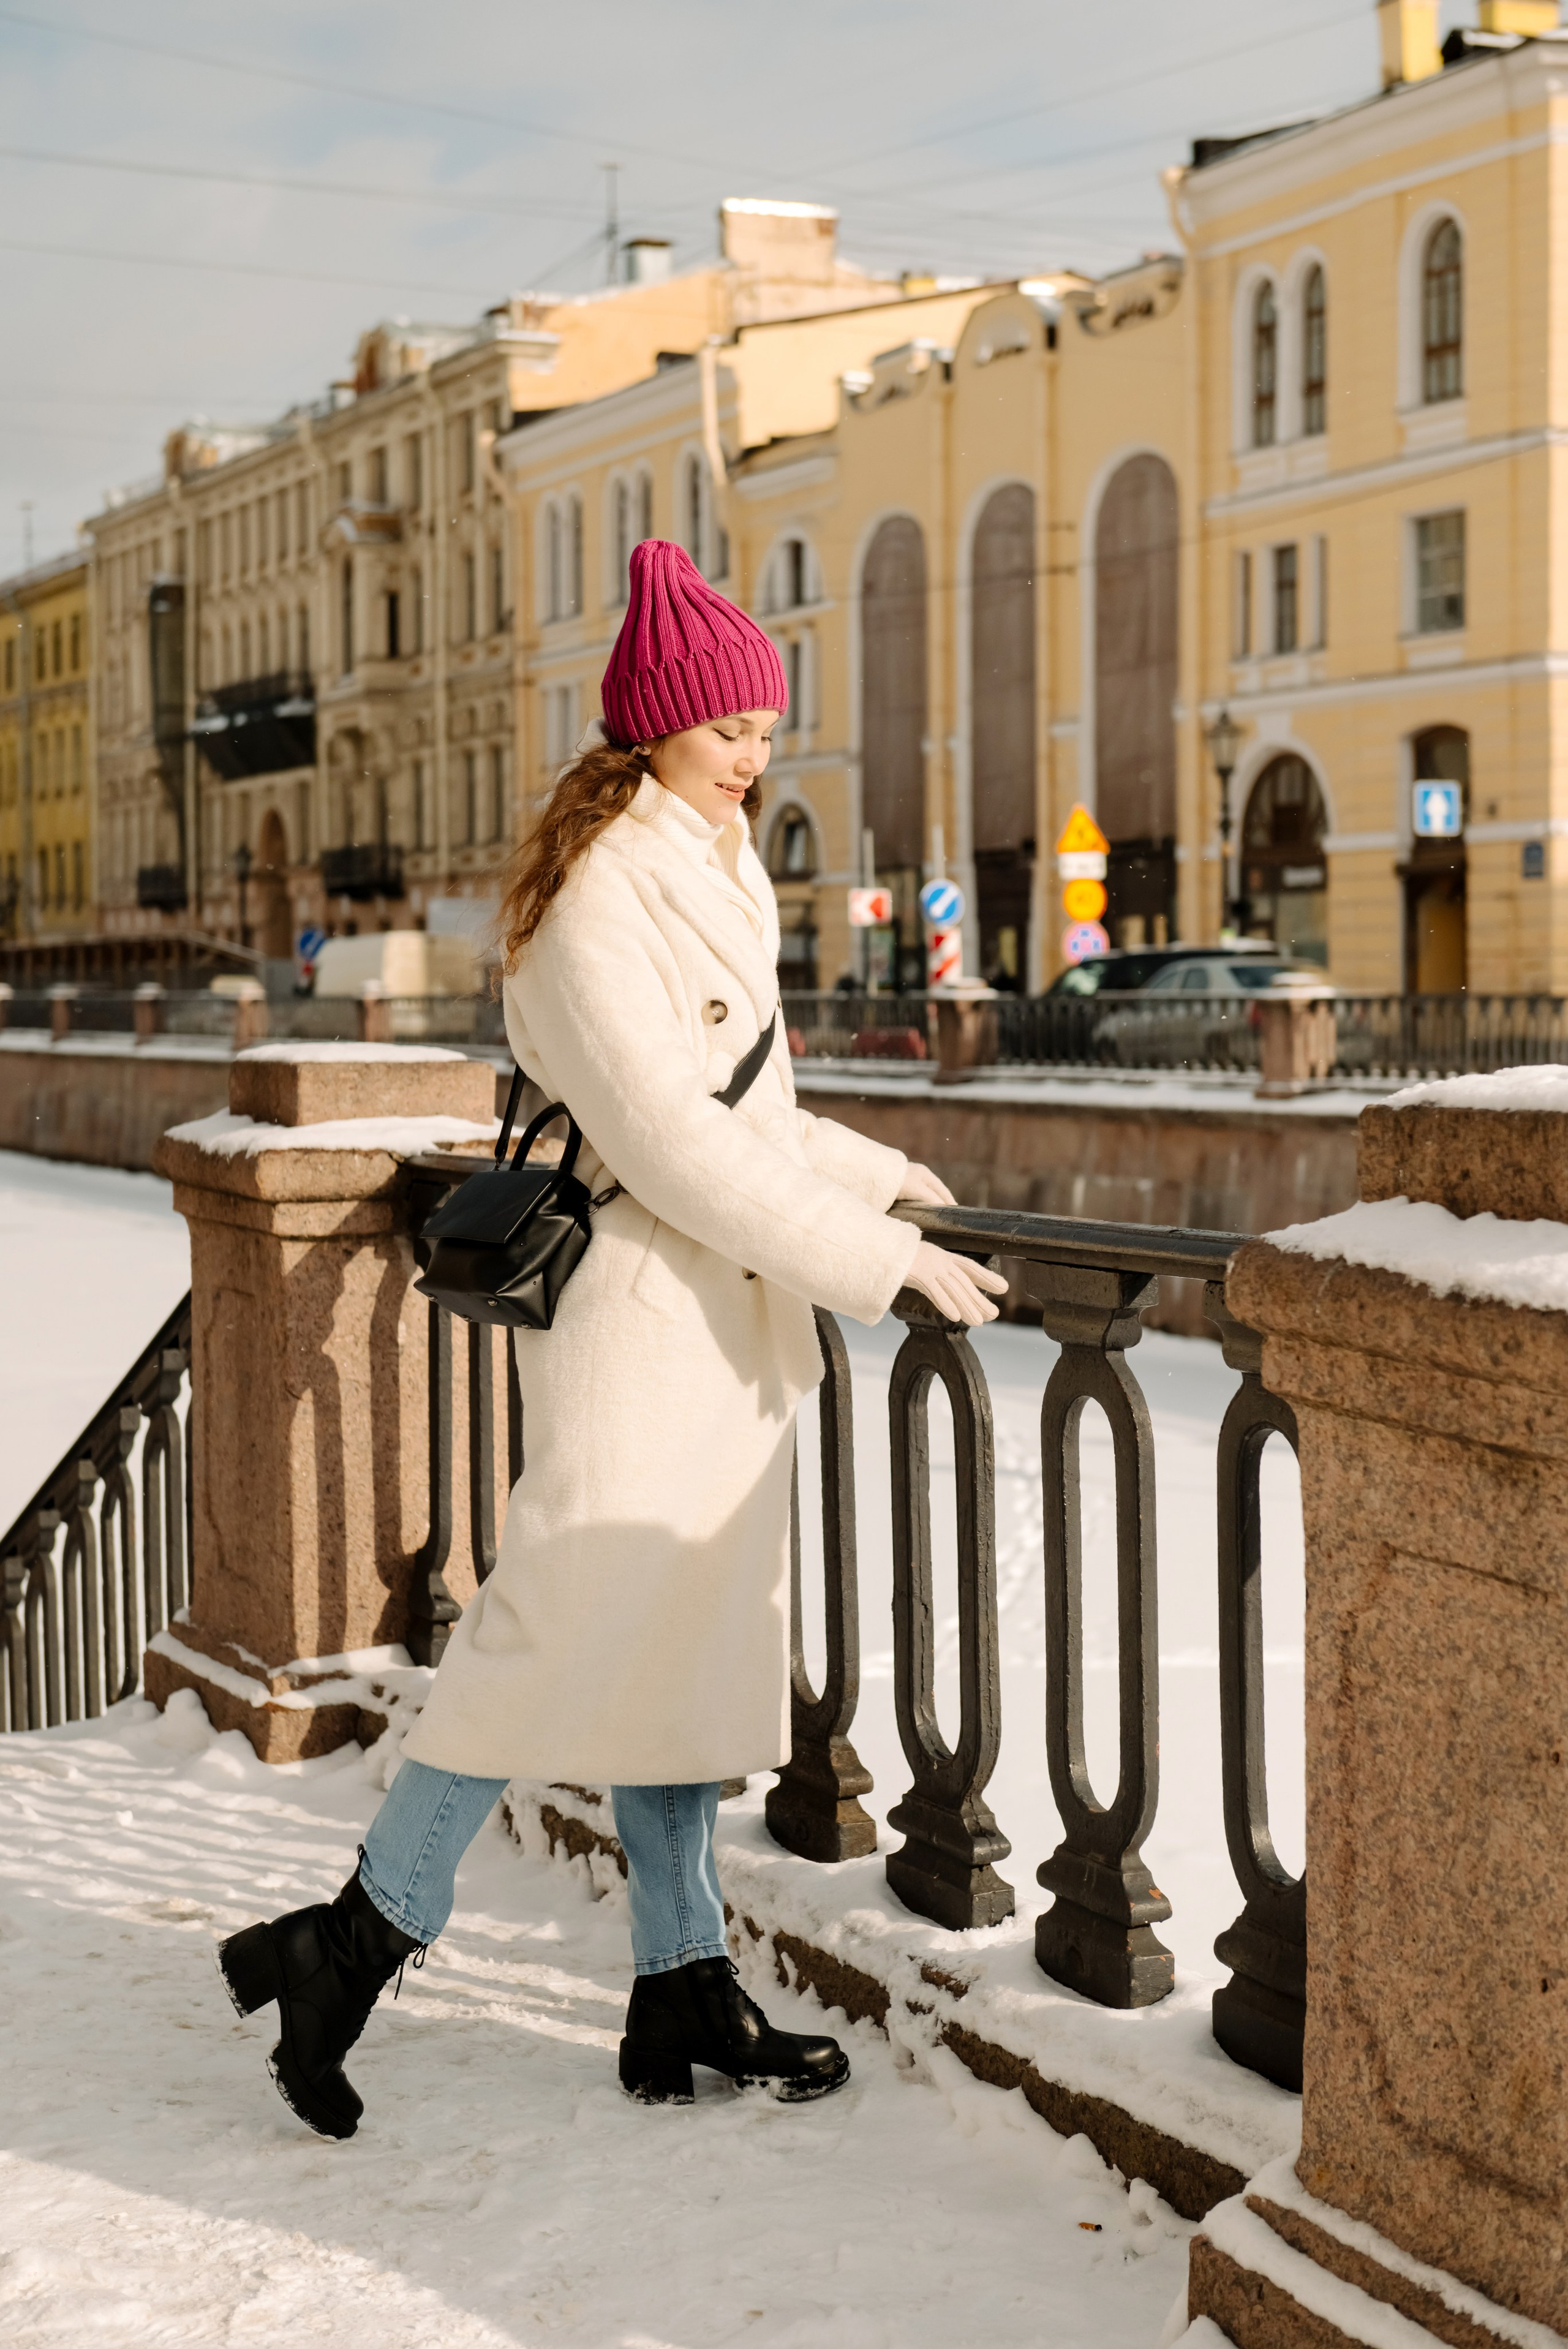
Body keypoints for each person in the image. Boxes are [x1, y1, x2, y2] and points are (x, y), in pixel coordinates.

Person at [217, 540, 1006, 2139]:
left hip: (713, 1331)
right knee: (550, 1638)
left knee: (674, 1653)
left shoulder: (709, 863)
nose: (756, 759)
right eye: (731, 732)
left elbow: (750, 1105)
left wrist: (871, 1170)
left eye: (767, 729)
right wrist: (876, 1257)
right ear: (656, 727)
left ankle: (681, 1982)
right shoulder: (591, 903)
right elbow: (676, 1148)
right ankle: (350, 1942)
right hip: (644, 1327)